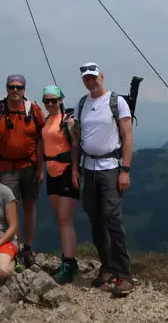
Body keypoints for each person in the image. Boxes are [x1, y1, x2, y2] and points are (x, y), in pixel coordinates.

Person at [72, 62, 134, 297]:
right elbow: (76, 139)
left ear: (102, 77)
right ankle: (107, 266)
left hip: (110, 167)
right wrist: (75, 170)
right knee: (94, 217)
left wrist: (125, 170)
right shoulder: (82, 104)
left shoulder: (117, 102)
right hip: (88, 167)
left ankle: (124, 273)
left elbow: (127, 138)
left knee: (112, 218)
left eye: (93, 77)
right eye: (86, 78)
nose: (90, 81)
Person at [0, 73, 44, 267]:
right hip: (7, 166)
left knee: (30, 206)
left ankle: (28, 246)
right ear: (7, 88)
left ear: (24, 89)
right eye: (12, 87)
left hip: (30, 166)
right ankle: (15, 247)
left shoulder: (33, 109)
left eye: (19, 87)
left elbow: (41, 139)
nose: (15, 91)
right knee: (12, 209)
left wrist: (41, 169)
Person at [40, 84, 81, 283]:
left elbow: (75, 145)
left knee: (65, 218)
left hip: (66, 171)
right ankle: (70, 261)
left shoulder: (69, 121)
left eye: (53, 100)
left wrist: (75, 170)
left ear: (60, 100)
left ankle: (68, 261)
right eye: (46, 100)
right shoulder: (46, 120)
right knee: (61, 219)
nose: (50, 103)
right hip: (51, 171)